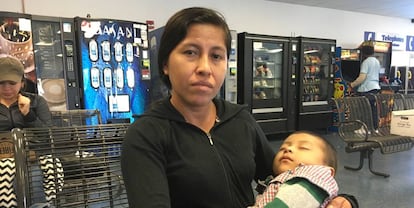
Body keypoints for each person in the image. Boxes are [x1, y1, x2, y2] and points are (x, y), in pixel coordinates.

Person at [121, 7, 357, 208]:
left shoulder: (239, 119)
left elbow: (288, 175)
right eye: (190, 52)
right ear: (165, 64)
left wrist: (339, 199)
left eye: (216, 56)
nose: (205, 68)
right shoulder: (146, 135)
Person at [251, 131, 339, 208]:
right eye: (282, 148)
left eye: (303, 147)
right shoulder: (283, 180)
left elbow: (291, 202)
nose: (288, 149)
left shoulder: (314, 177)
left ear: (327, 172)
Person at [0, 56, 52, 131]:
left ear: (22, 83)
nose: (7, 88)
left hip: (30, 142)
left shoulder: (36, 101)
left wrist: (28, 115)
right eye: (1, 83)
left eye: (12, 83)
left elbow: (48, 135)